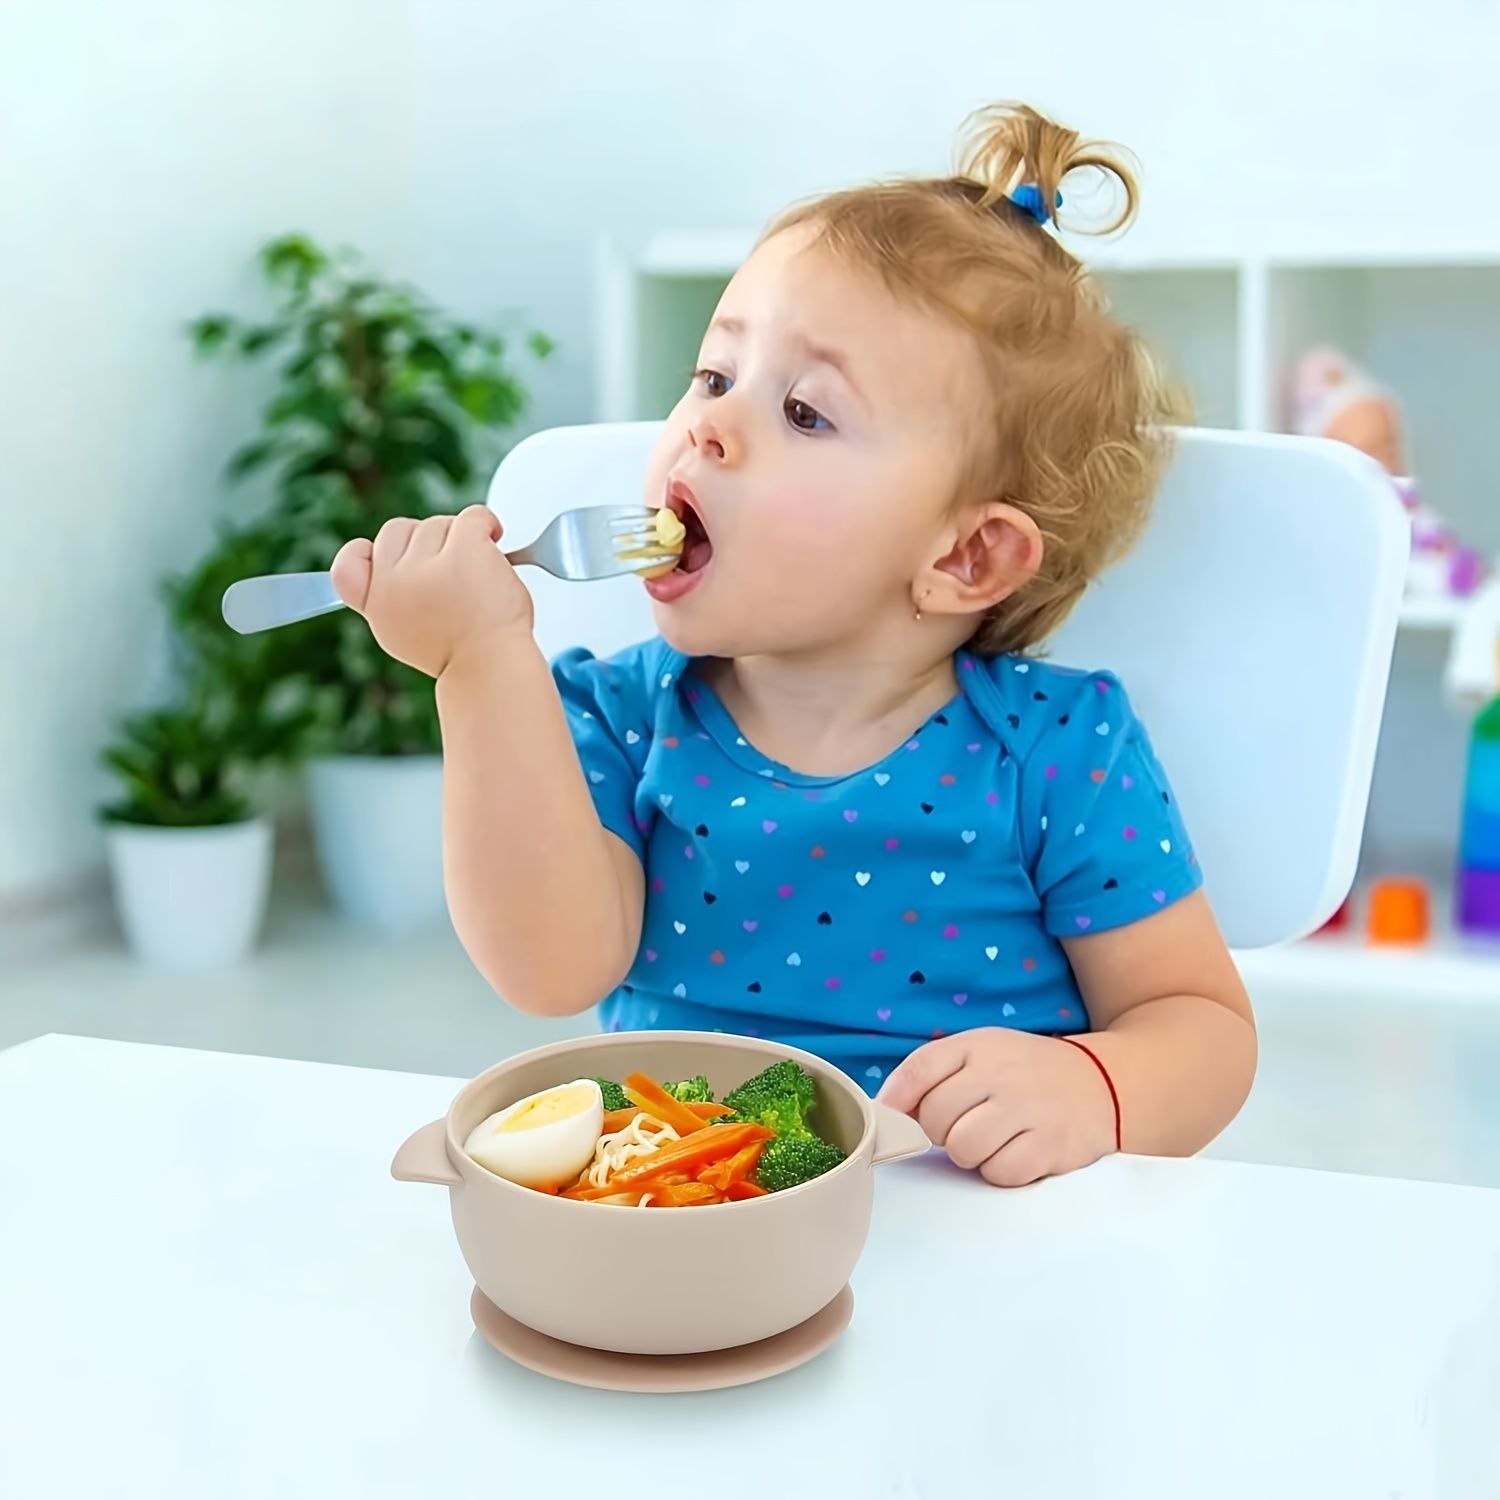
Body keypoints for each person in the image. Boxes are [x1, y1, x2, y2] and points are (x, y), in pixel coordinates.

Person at [330, 101, 1257, 1187]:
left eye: (806, 412)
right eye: (715, 376)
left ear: (964, 560)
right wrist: (482, 667)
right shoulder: (622, 718)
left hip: (966, 1220)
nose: (705, 425)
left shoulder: (1057, 751)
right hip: (685, 1207)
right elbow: (548, 968)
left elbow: (1202, 1028)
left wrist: (1098, 1090)